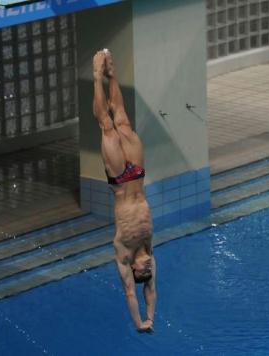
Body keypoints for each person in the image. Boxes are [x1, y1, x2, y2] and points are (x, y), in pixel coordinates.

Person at [92, 49, 156, 332]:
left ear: (133, 270)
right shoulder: (149, 250)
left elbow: (132, 293)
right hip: (138, 176)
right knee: (123, 121)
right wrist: (152, 316)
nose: (149, 270)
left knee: (107, 127)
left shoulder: (124, 253)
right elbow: (151, 292)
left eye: (144, 273)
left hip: (119, 181)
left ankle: (96, 79)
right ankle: (112, 75)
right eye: (149, 272)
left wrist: (139, 322)